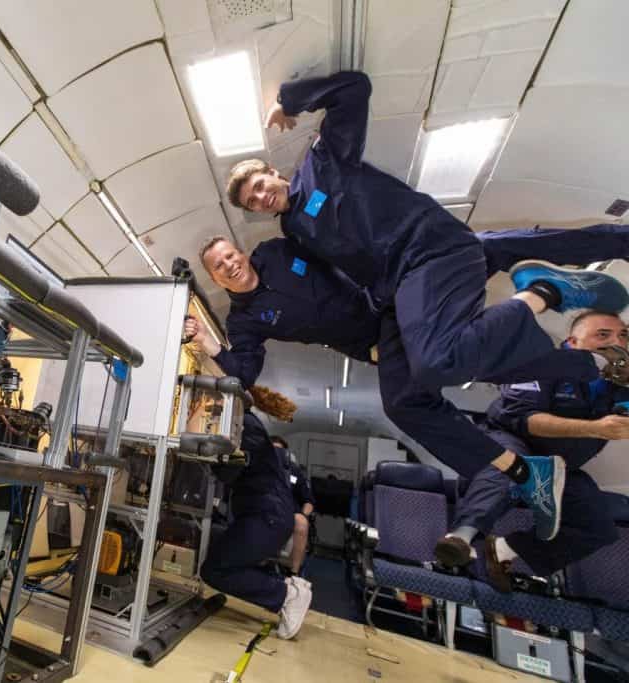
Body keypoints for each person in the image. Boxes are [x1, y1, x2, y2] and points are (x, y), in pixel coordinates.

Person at [222, 69, 629, 535]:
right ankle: (526, 467)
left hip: (427, 248)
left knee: (443, 357)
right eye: (252, 202)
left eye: (258, 184)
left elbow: (354, 87)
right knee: (404, 402)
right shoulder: (292, 234)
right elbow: (341, 281)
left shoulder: (323, 160)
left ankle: (549, 290)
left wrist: (290, 100)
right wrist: (366, 337)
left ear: (273, 173)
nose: (260, 196)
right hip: (400, 292)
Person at [185, 229, 629, 540]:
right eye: (220, 266)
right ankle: (577, 382)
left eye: (231, 255)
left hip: (393, 297)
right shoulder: (243, 320)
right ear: (215, 278)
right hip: (380, 341)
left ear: (240, 252)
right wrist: (208, 342)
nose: (231, 264)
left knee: (475, 252)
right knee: (442, 383)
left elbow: (331, 239)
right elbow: (242, 374)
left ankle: (567, 277)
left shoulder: (276, 250)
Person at [435, 312, 629, 592]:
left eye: (623, 335)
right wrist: (597, 428)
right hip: (513, 438)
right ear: (572, 343)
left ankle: (502, 549)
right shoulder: (542, 364)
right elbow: (525, 419)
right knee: (511, 468)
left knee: (597, 526)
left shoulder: (617, 384)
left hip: (562, 464)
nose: (617, 341)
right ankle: (461, 537)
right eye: (603, 335)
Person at [201, 412, 312, 639]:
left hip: (267, 517)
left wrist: (201, 447)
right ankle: (285, 590)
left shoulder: (246, 428)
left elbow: (229, 471)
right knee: (219, 562)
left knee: (215, 570)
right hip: (262, 514)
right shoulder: (246, 425)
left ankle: (286, 594)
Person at [270, 435, 316, 574]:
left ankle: (294, 572)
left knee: (301, 522)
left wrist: (303, 514)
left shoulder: (294, 471)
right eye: (273, 451)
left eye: (280, 451)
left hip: (289, 513)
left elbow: (309, 501)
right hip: (265, 508)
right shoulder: (261, 468)